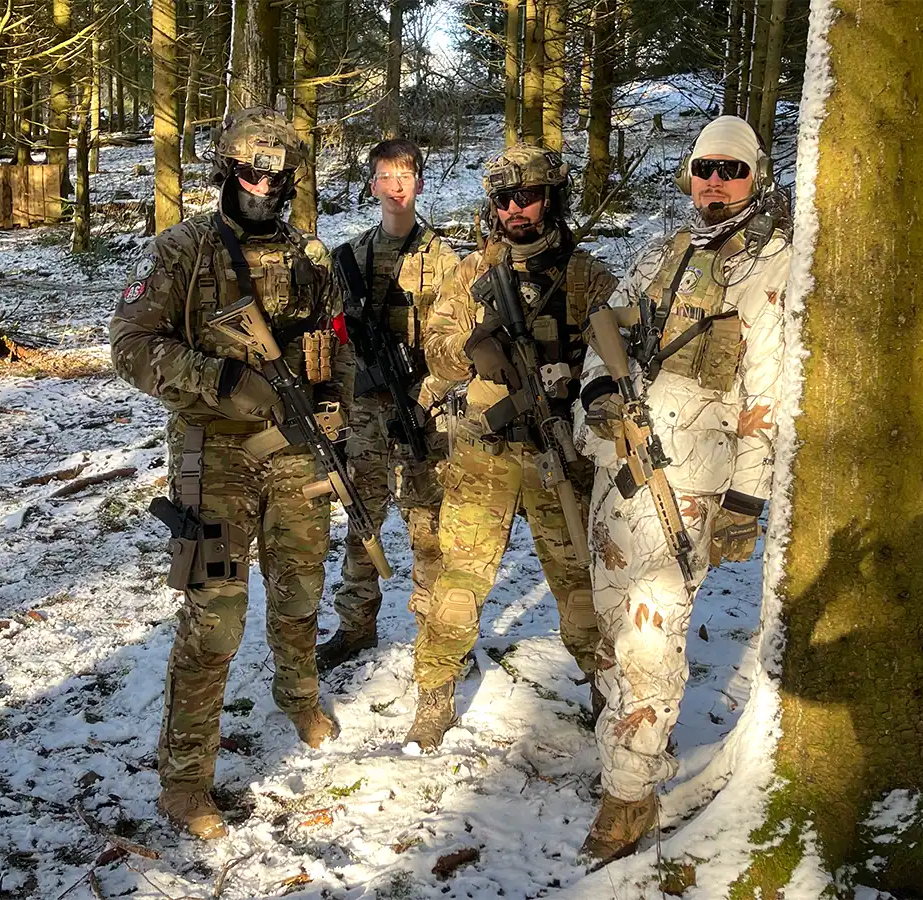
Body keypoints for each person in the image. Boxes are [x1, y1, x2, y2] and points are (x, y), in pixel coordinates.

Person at [109, 108, 348, 840]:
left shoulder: (311, 255)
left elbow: (333, 342)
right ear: (227, 172)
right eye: (251, 172)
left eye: (277, 177)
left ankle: (299, 694)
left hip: (296, 449)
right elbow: (129, 345)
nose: (263, 186)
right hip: (211, 456)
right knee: (214, 618)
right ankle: (185, 781)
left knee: (302, 583)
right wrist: (219, 379)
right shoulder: (180, 251)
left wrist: (331, 406)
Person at [574, 115, 791, 861]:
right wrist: (598, 398)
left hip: (690, 484)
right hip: (622, 469)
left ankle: (628, 796)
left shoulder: (771, 266)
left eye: (731, 170)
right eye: (704, 168)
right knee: (609, 622)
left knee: (648, 635)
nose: (715, 183)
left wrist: (748, 497)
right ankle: (618, 749)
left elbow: (768, 391)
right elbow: (603, 338)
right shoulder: (663, 253)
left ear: (756, 175)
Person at [405, 144, 618, 753]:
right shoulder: (472, 273)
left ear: (552, 197)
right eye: (503, 199)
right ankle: (435, 690)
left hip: (559, 453)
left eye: (526, 196)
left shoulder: (587, 276)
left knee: (582, 579)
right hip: (483, 453)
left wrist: (578, 381)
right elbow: (436, 345)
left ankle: (608, 691)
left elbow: (613, 358)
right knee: (458, 582)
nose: (515, 209)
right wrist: (472, 350)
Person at [317, 139, 460, 673]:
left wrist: (428, 398)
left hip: (421, 414)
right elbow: (328, 340)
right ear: (372, 184)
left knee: (429, 530)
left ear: (419, 183)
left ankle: (438, 635)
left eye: (405, 175)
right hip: (362, 418)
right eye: (385, 176)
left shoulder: (445, 261)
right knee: (362, 521)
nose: (396, 186)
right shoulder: (348, 259)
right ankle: (356, 627)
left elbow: (457, 345)